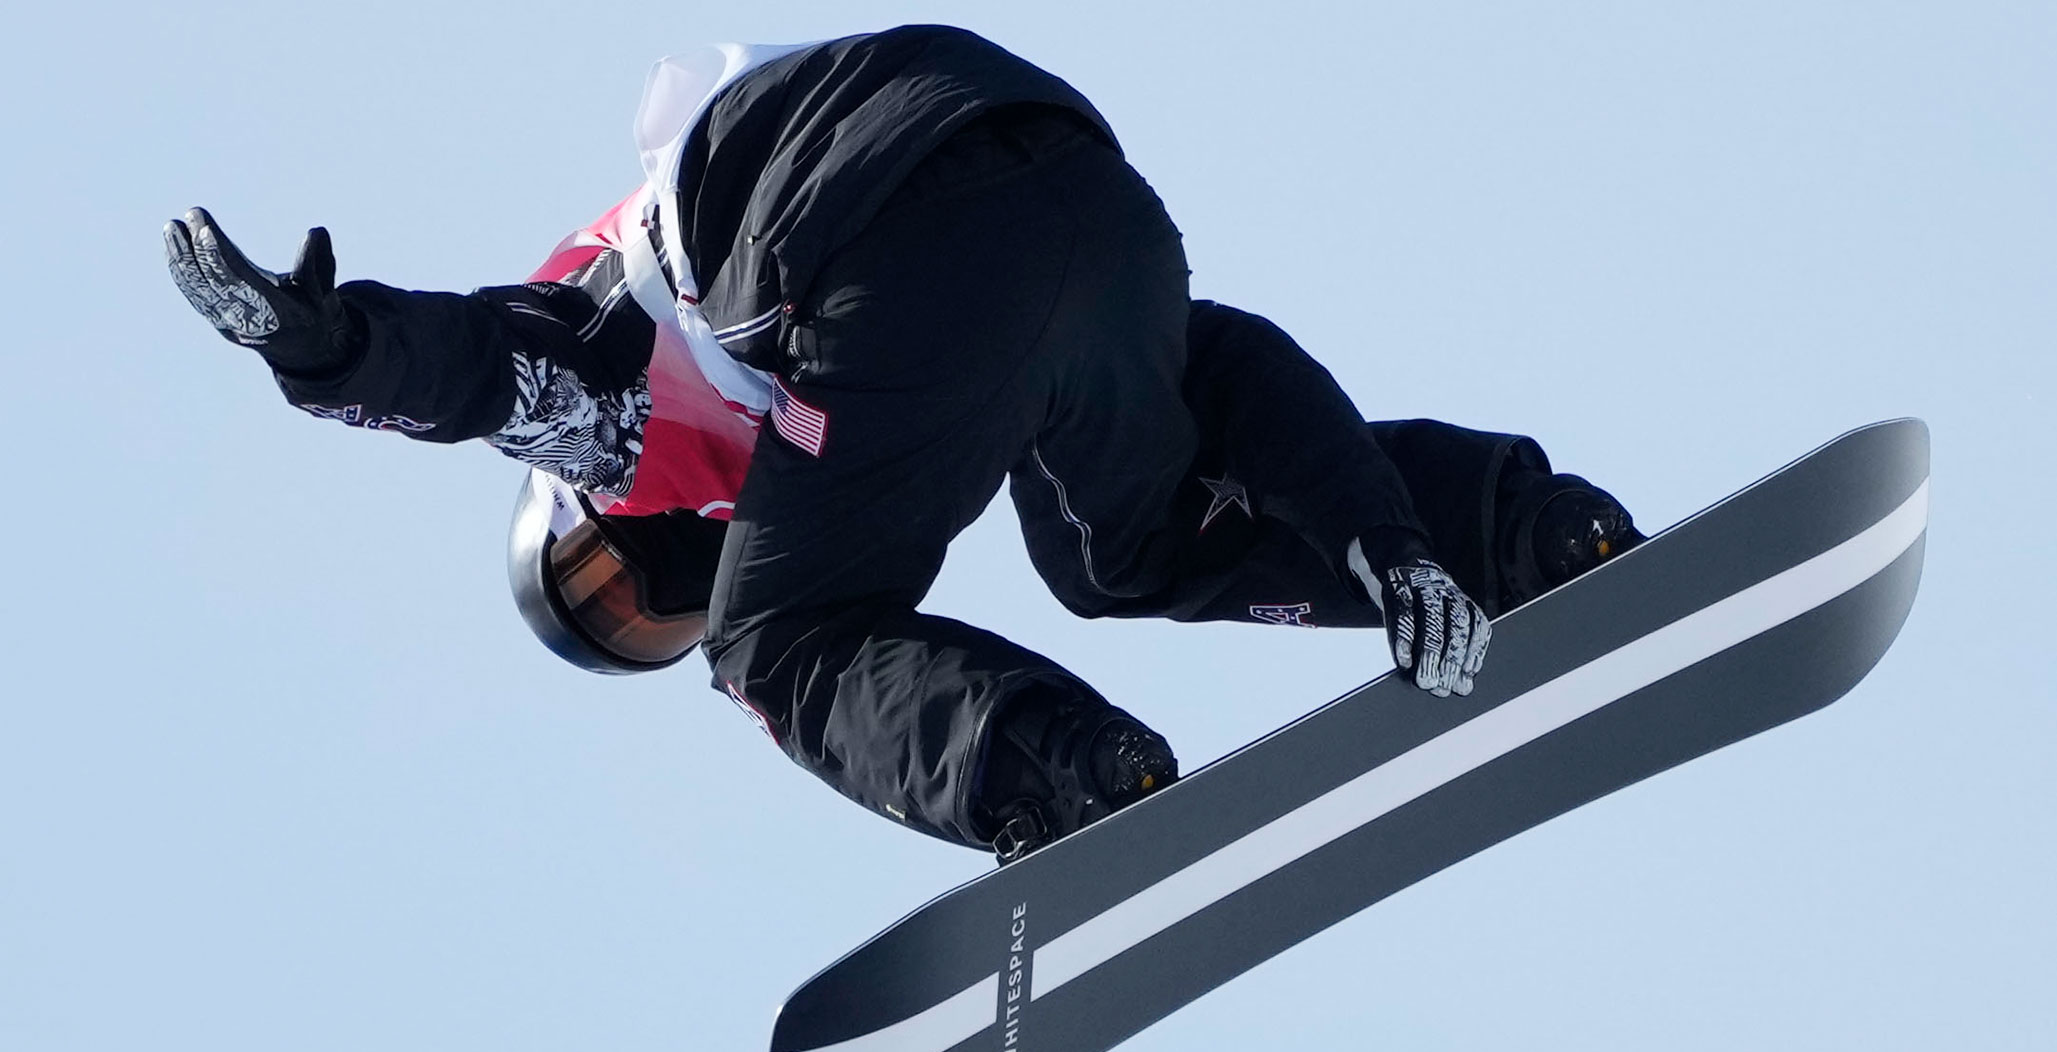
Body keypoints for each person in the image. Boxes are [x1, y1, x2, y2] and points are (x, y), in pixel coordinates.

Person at [166, 25, 1642, 863]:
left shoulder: (612, 416)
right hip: (1079, 195)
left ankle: (1062, 776)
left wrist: (322, 349)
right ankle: (1520, 543)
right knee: (1122, 542)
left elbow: (481, 367)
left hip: (869, 241)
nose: (665, 591)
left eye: (612, 578)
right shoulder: (813, 418)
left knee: (779, 643)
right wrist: (1389, 543)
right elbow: (1240, 373)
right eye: (637, 624)